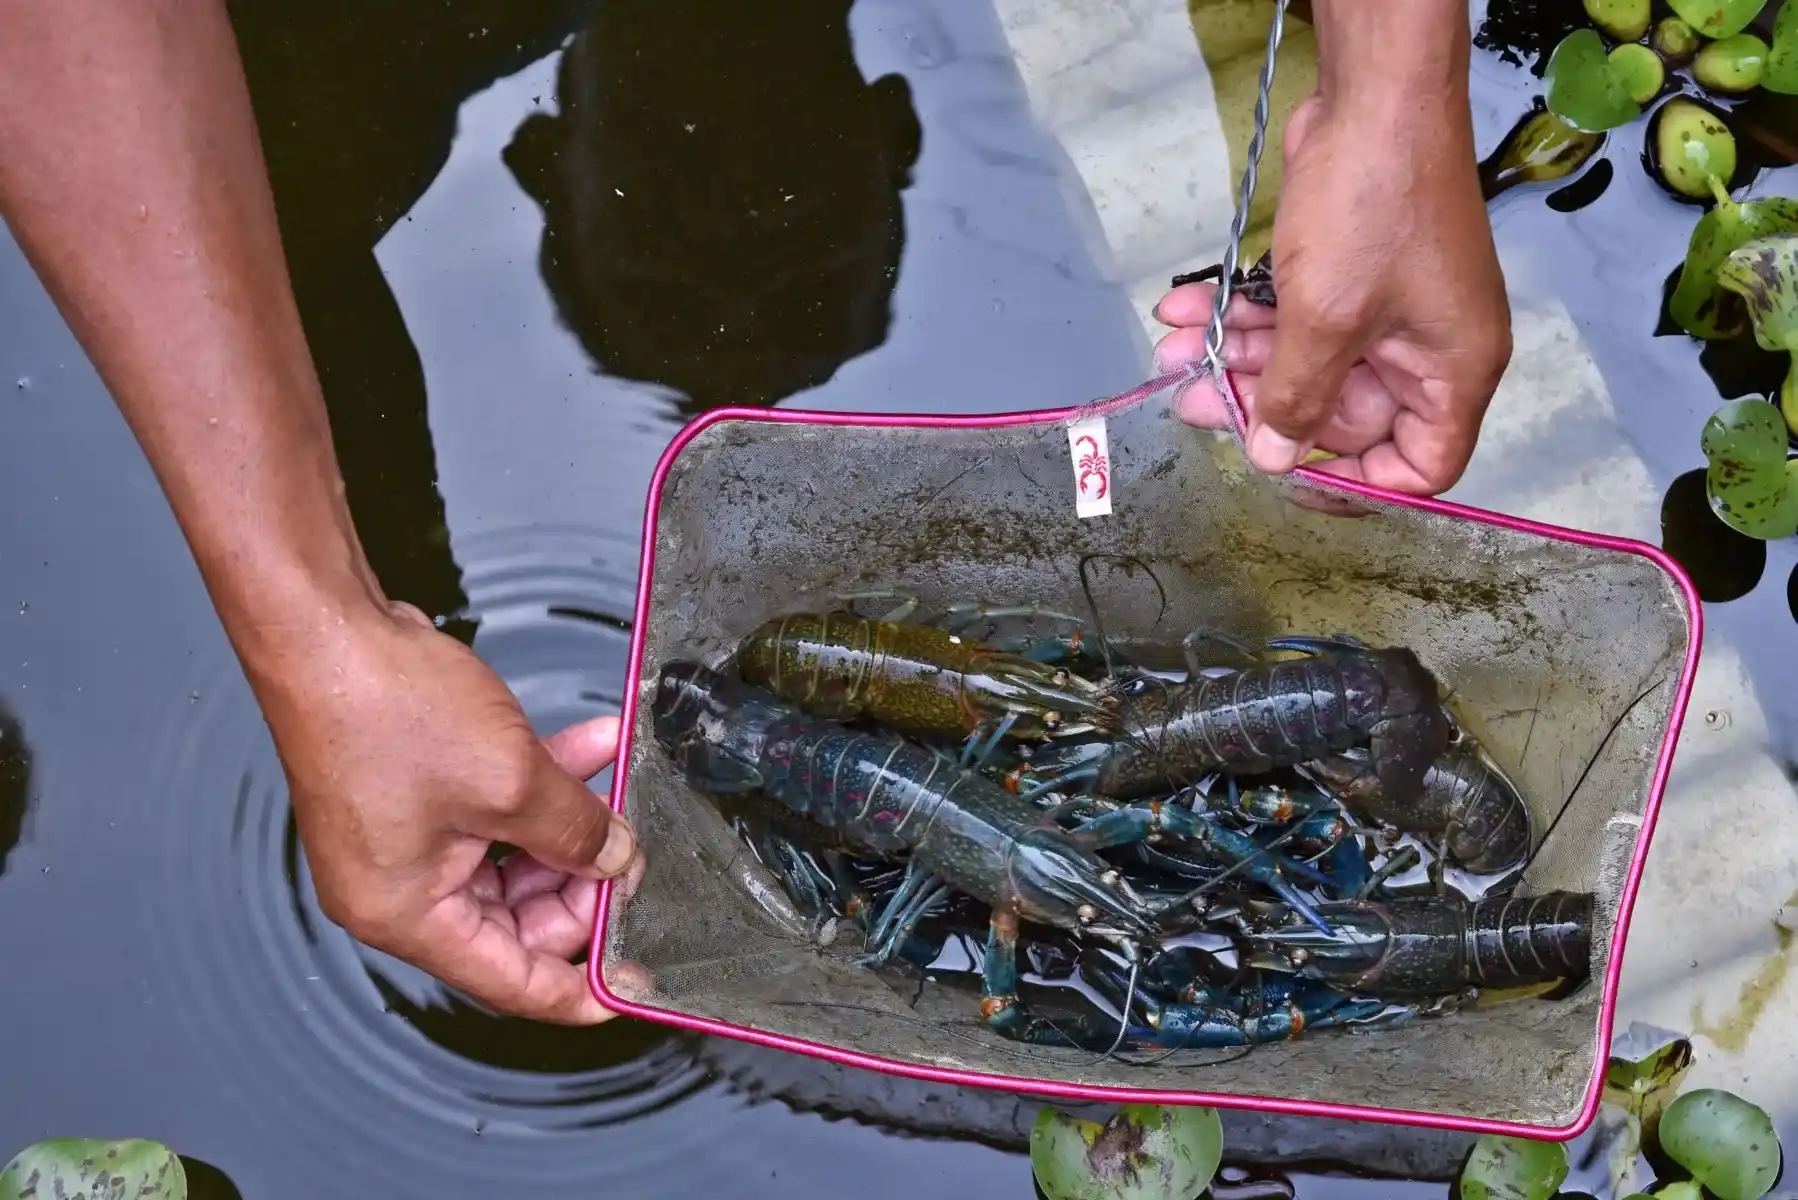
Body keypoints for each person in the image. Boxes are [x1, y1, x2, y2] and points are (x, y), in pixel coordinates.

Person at [0, 0, 1509, 1027]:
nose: (728, 245)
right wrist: (317, 628)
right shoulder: (352, 108)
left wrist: (1393, 89)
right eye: (725, 268)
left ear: (903, 134)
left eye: (772, 277)